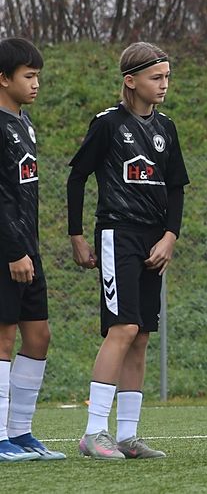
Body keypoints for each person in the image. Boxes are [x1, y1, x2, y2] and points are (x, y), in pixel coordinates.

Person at [69, 42, 189, 460]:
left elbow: (176, 189)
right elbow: (77, 178)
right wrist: (76, 235)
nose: (164, 84)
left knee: (141, 335)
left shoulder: (166, 128)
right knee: (122, 328)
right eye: (156, 77)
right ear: (131, 80)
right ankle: (93, 432)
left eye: (167, 76)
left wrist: (170, 236)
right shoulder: (107, 124)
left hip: (154, 240)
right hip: (117, 234)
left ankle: (127, 436)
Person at [0, 38, 64, 462]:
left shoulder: (24, 123)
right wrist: (12, 250)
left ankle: (20, 431)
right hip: (7, 250)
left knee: (39, 337)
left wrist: (27, 248)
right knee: (4, 337)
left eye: (37, 75)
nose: (36, 83)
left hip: (28, 247)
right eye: (29, 76)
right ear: (3, 79)